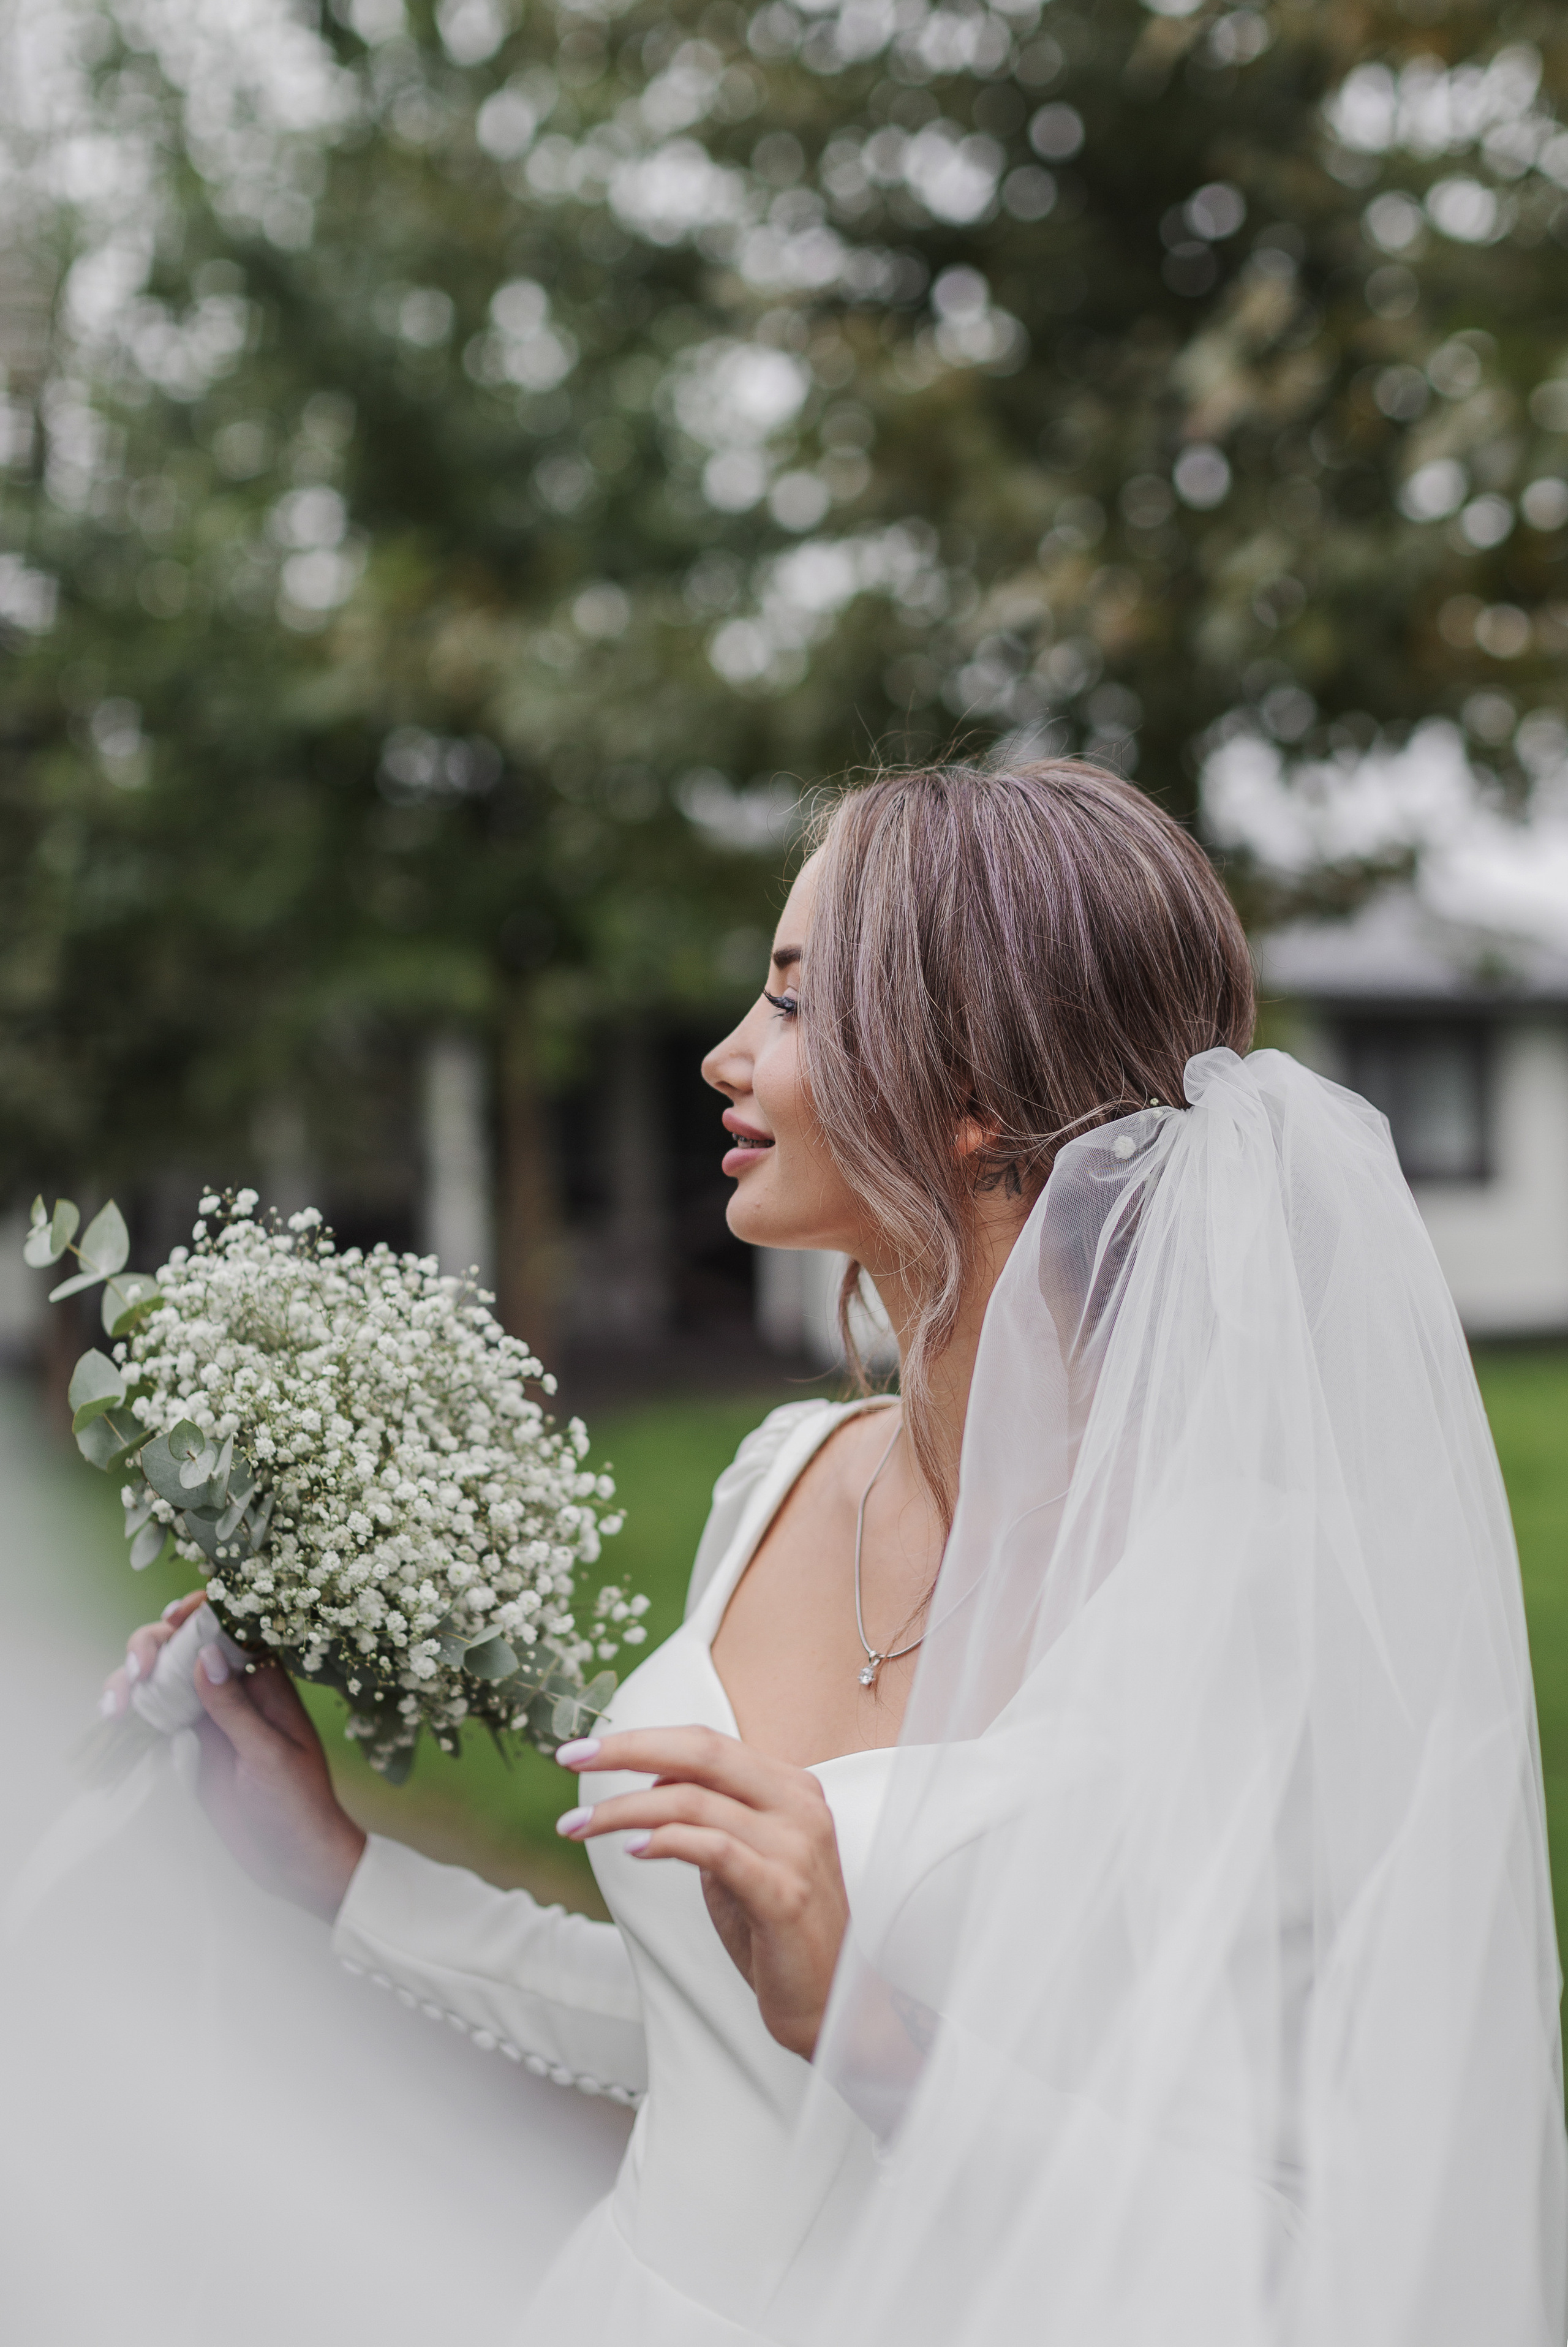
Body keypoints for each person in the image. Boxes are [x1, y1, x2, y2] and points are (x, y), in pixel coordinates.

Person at [106, 760, 1566, 2344]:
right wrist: (336, 1871)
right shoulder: (782, 1477)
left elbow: (1312, 2251)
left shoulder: (1256, 1613)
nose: (731, 1054)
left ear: (975, 1094)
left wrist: (876, 2041)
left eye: (795, 1007)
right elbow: (720, 2044)